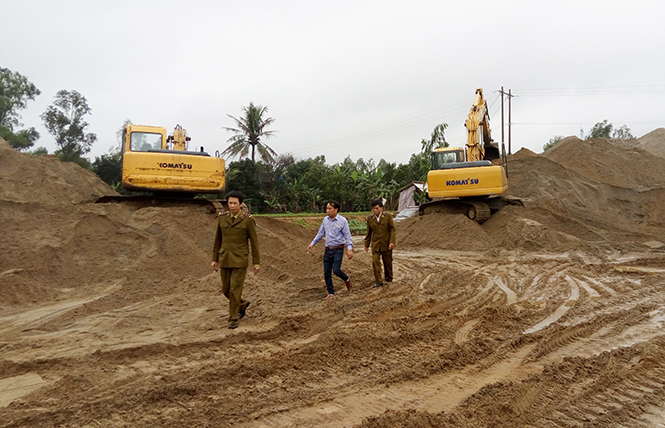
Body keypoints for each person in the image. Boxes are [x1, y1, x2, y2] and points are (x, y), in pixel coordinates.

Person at [211, 191, 260, 329]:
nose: (232, 206)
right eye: (230, 203)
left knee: (234, 290)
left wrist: (256, 262)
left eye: (235, 203)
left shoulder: (247, 220)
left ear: (240, 204)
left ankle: (233, 318)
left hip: (240, 260)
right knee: (226, 290)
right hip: (225, 258)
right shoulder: (222, 218)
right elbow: (217, 240)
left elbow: (254, 243)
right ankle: (243, 304)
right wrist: (214, 259)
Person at [307, 200, 353, 300]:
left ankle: (346, 278)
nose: (327, 211)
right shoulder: (325, 220)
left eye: (330, 209)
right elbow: (320, 233)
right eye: (327, 208)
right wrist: (312, 243)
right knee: (327, 272)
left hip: (338, 249)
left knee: (336, 270)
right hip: (328, 249)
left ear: (336, 209)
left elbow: (347, 236)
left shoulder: (342, 221)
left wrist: (349, 249)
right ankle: (331, 293)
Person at [364, 199, 396, 287]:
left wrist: (392, 242)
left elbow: (392, 230)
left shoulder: (387, 217)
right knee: (375, 262)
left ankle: (389, 279)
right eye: (373, 209)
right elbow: (369, 233)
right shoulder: (370, 219)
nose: (375, 210)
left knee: (387, 263)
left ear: (381, 208)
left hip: (386, 244)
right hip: (376, 245)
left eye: (377, 208)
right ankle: (378, 281)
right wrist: (366, 245)